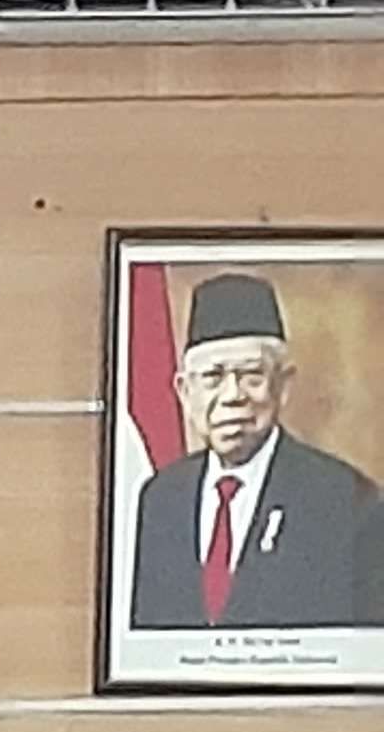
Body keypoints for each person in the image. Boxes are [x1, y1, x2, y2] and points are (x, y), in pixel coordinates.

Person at [128, 270, 384, 631]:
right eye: (213, 378)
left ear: (283, 387)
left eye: (251, 376)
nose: (233, 396)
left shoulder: (347, 501)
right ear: (185, 392)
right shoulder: (161, 498)